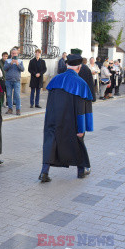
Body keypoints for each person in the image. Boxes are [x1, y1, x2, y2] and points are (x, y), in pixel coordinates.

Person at [39, 54, 93, 183]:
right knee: (78, 142)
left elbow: (49, 104)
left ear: (67, 65)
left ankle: (44, 172)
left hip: (53, 120)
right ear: (79, 67)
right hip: (72, 122)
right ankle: (81, 171)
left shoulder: (55, 79)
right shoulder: (81, 83)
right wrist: (82, 128)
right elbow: (81, 110)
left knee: (50, 144)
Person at [4, 48, 24, 115]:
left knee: (17, 95)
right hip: (8, 81)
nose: (14, 54)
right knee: (9, 95)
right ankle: (10, 109)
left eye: (15, 53)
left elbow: (22, 69)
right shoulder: (7, 61)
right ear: (11, 54)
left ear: (17, 54)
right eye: (13, 53)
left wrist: (17, 64)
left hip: (16, 81)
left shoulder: (20, 61)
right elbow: (5, 68)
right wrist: (11, 63)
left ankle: (18, 109)